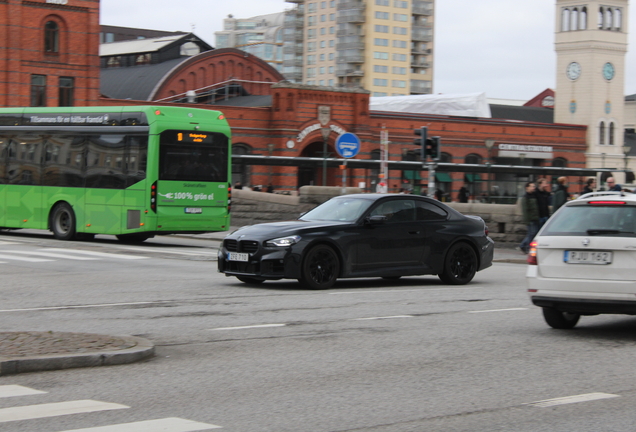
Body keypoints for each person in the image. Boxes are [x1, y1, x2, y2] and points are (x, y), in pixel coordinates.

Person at [519, 182, 540, 254]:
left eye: (534, 186)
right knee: (532, 233)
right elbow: (525, 210)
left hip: (535, 218)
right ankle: (526, 246)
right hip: (530, 219)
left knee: (532, 234)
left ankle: (523, 245)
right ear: (527, 188)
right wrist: (527, 220)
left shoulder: (534, 195)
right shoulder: (525, 197)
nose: (533, 188)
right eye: (532, 186)